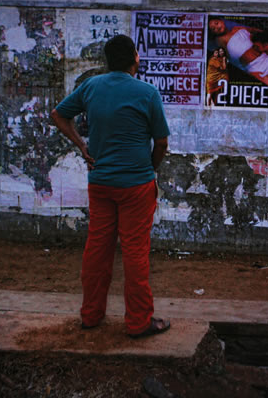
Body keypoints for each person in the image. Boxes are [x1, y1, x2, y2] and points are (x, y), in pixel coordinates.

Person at [50, 34, 171, 339]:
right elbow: (161, 142)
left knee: (97, 249)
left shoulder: (92, 86)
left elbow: (59, 115)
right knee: (135, 253)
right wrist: (149, 169)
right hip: (136, 186)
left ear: (107, 60)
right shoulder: (147, 92)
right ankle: (139, 322)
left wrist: (81, 145)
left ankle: (91, 315)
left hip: (101, 182)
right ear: (135, 58)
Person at [207, 18, 268, 88]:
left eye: (216, 23)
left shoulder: (237, 29)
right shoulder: (220, 40)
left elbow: (255, 31)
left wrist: (265, 44)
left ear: (222, 21)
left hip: (264, 58)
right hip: (253, 68)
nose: (217, 27)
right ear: (213, 33)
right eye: (213, 29)